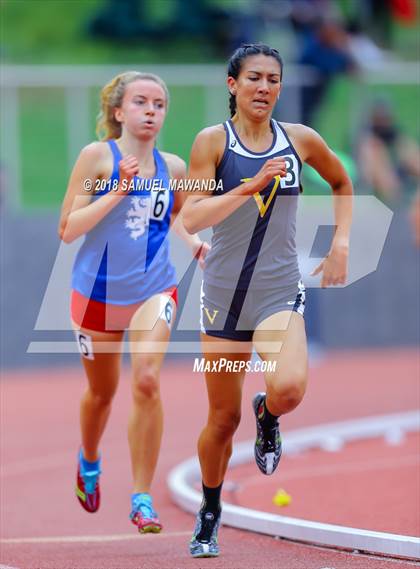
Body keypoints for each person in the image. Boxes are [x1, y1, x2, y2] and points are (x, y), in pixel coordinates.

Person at [182, 43, 353, 558]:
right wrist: (250, 185)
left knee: (291, 388)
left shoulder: (299, 140)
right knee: (221, 421)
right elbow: (190, 216)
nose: (264, 87)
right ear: (232, 85)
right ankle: (211, 510)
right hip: (224, 298)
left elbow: (343, 181)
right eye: (254, 77)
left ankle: (270, 414)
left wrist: (341, 242)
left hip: (279, 289)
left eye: (273, 79)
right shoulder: (212, 142)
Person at [58, 71, 207, 533]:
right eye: (141, 102)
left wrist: (196, 243)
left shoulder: (175, 168)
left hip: (153, 290)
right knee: (102, 395)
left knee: (145, 381)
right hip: (97, 297)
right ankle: (89, 458)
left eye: (159, 104)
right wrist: (116, 191)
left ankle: (142, 496)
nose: (151, 111)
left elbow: (179, 217)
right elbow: (67, 228)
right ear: (119, 112)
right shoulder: (97, 157)